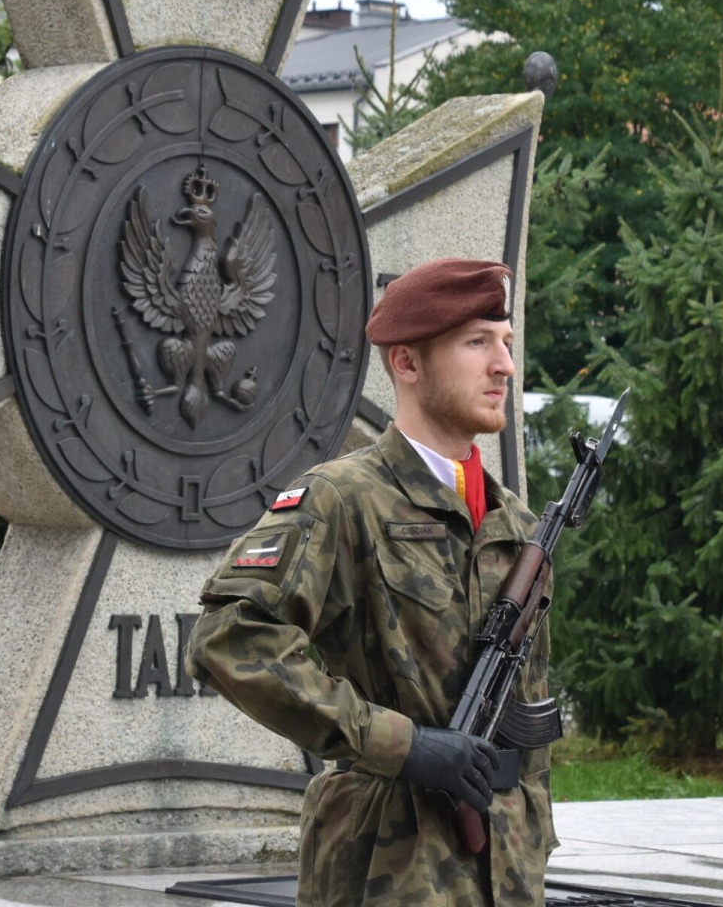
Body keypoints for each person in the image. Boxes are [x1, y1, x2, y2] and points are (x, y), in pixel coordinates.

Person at [185, 258, 555, 906]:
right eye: (477, 342)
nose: (504, 366)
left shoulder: (515, 525)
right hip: (391, 868)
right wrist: (401, 745)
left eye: (506, 344)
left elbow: (524, 715)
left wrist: (534, 842)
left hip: (506, 871)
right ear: (406, 364)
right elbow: (228, 640)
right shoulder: (341, 500)